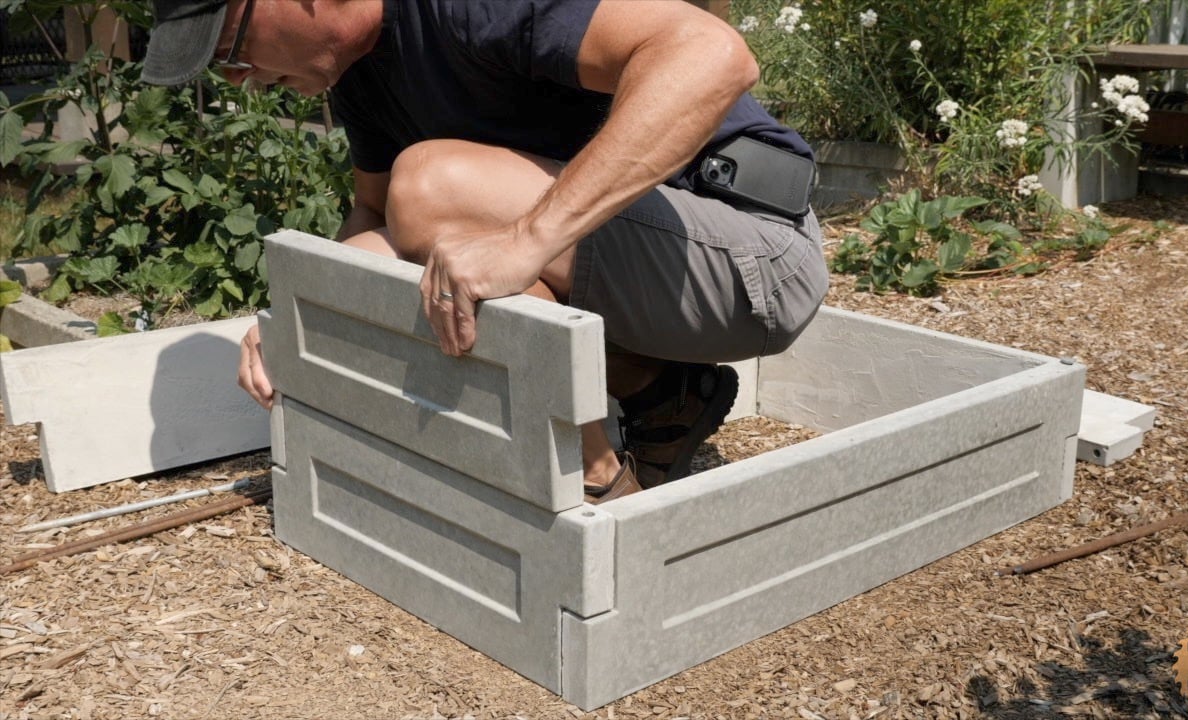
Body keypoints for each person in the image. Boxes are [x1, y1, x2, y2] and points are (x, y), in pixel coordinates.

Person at [142, 0, 829, 503]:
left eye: (227, 50)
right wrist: (299, 316)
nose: (235, 81)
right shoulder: (364, 69)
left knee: (429, 184)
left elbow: (713, 54)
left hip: (755, 259)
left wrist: (527, 240)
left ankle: (589, 483)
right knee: (401, 240)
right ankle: (657, 392)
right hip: (658, 269)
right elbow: (375, 217)